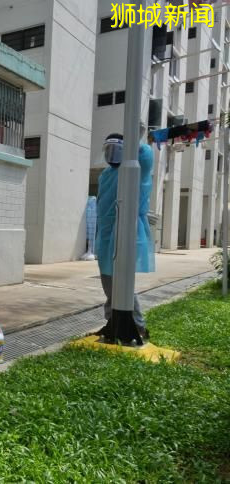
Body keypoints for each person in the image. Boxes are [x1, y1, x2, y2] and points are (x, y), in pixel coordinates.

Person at [95, 132, 155, 342]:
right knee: (109, 284)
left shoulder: (134, 170)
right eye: (108, 150)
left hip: (126, 231)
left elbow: (146, 155)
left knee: (123, 284)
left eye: (116, 149)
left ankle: (138, 326)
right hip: (104, 236)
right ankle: (112, 322)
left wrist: (134, 140)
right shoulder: (104, 175)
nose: (111, 155)